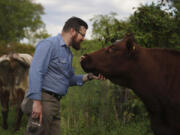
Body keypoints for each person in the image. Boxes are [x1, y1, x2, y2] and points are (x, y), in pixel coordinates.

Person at [22, 16, 105, 135]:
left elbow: (69, 79)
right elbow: (36, 71)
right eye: (82, 35)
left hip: (55, 104)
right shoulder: (49, 44)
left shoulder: (67, 53)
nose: (83, 39)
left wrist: (90, 76)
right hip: (44, 101)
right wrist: (37, 102)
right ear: (72, 31)